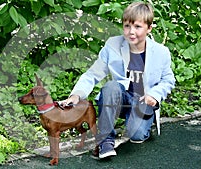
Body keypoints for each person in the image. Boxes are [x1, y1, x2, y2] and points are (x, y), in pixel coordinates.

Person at [61, 1, 175, 159]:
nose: (131, 32)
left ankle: (141, 124)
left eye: (137, 27)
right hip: (120, 97)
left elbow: (168, 79)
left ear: (149, 28)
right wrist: (76, 95)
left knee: (136, 136)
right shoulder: (113, 45)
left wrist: (155, 95)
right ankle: (105, 140)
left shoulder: (161, 52)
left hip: (142, 101)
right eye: (127, 26)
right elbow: (92, 74)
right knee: (111, 86)